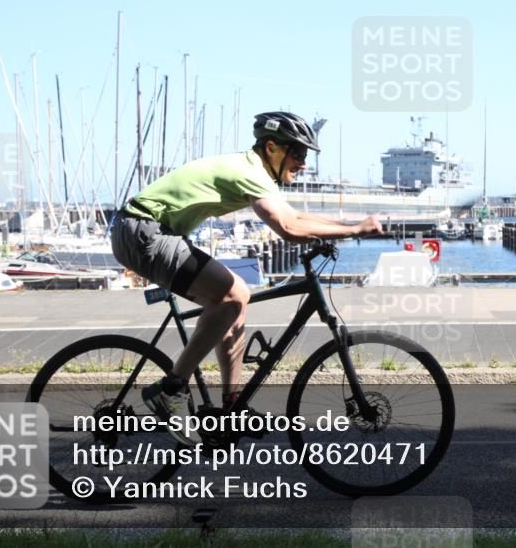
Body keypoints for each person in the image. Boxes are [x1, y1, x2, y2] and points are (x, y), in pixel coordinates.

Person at [110, 112, 382, 444]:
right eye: (298, 153)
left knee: (235, 304)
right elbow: (289, 228)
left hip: (150, 230)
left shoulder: (254, 170)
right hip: (143, 230)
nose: (303, 162)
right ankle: (171, 389)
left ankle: (232, 405)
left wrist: (343, 228)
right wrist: (354, 230)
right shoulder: (249, 171)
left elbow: (294, 216)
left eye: (305, 155)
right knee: (235, 294)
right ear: (272, 148)